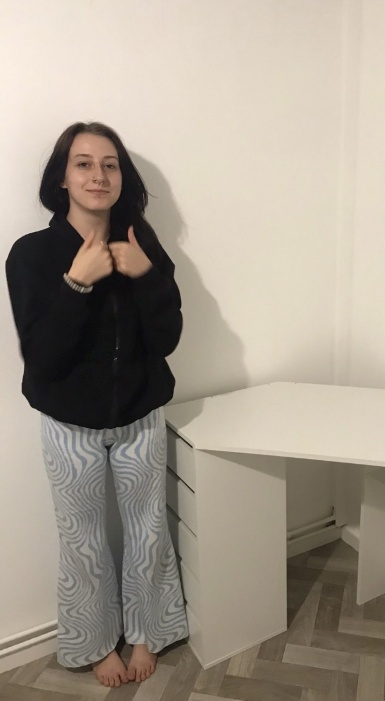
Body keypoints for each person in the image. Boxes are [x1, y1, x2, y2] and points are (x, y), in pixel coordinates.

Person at [5, 122, 188, 688]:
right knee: (81, 540)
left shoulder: (142, 243)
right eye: (82, 163)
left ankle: (148, 630)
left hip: (141, 414)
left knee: (147, 530)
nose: (98, 175)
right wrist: (76, 284)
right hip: (69, 423)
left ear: (122, 177)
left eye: (110, 164)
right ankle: (95, 642)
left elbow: (168, 337)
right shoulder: (31, 254)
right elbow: (43, 358)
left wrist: (146, 275)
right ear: (62, 178)